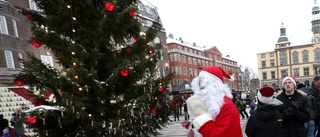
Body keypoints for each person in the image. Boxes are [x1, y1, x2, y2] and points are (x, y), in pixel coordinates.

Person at [186, 66, 242, 137]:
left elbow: (219, 134)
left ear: (215, 86)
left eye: (204, 84)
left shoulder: (226, 106)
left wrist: (200, 116)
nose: (200, 88)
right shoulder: (210, 104)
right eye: (199, 84)